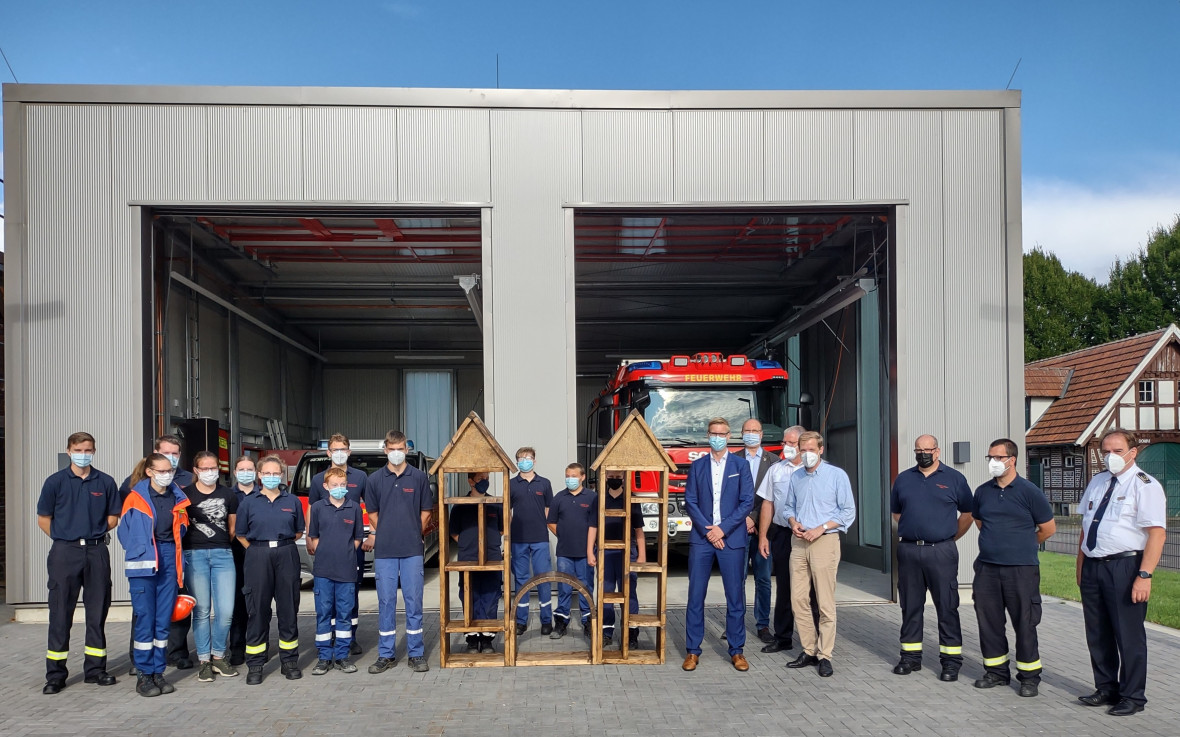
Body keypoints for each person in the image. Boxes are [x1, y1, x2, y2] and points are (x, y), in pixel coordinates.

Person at [1075, 429, 1166, 716]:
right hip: (1093, 566)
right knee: (1098, 632)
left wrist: (1145, 575)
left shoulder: (1145, 485)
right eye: (1106, 452)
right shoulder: (1098, 482)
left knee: (1128, 635)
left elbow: (1157, 534)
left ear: (1132, 452)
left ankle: (1133, 696)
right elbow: (1085, 527)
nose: (1110, 457)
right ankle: (1106, 688)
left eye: (1117, 451)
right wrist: (1080, 569)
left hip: (1125, 566)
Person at [37, 431, 121, 695]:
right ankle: (56, 675)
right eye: (79, 449)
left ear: (94, 451)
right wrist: (66, 538)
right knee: (60, 613)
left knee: (97, 612)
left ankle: (95, 670)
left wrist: (91, 534)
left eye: (88, 449)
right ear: (69, 450)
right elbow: (44, 518)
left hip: (96, 553)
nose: (83, 454)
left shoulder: (105, 481)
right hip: (65, 553)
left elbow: (113, 517)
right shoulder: (55, 482)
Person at [971, 438, 1056, 697]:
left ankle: (1029, 677)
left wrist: (1022, 545)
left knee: (1025, 623)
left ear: (1012, 460)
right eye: (990, 458)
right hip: (987, 569)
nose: (994, 463)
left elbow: (1047, 529)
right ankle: (996, 673)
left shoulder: (1030, 492)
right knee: (989, 622)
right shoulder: (983, 491)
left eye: (998, 458)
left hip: (1021, 570)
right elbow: (979, 521)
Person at [889, 434, 973, 681]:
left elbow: (967, 513)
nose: (922, 453)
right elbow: (897, 514)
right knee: (910, 605)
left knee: (947, 606)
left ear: (937, 451)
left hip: (942, 551)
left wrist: (946, 537)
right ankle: (910, 657)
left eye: (927, 449)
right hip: (909, 551)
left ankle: (950, 662)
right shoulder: (904, 479)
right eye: (918, 450)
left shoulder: (955, 479)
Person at [682, 417, 754, 673]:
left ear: (729, 435)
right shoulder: (697, 466)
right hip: (702, 540)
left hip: (731, 538)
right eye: (713, 433)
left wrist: (722, 529)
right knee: (695, 597)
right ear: (708, 435)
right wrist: (708, 531)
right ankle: (692, 650)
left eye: (722, 433)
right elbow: (690, 501)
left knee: (735, 597)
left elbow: (746, 502)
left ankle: (737, 651)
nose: (717, 437)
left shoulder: (740, 465)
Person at [120, 435, 196, 675]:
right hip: (144, 563)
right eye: (161, 470)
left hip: (170, 558)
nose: (167, 473)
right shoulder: (136, 497)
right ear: (150, 471)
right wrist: (141, 551)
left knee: (163, 620)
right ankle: (144, 673)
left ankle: (158, 671)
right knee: (145, 618)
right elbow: (125, 532)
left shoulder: (177, 496)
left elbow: (182, 526)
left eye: (169, 470)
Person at [782, 431, 856, 678]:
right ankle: (809, 649)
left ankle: (825, 655)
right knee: (798, 600)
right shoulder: (796, 477)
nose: (807, 454)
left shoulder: (837, 476)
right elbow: (788, 507)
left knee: (824, 602)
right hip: (799, 542)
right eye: (803, 450)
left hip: (824, 541)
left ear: (821, 450)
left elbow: (848, 512)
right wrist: (793, 522)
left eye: (812, 449)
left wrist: (821, 528)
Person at [365, 430, 434, 674]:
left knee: (414, 601)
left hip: (412, 549)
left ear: (407, 449)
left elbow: (426, 512)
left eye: (400, 448)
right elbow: (372, 514)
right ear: (385, 449)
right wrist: (386, 531)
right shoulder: (374, 480)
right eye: (391, 448)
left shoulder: (418, 478)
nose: (396, 452)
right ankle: (386, 654)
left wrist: (413, 531)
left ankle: (416, 653)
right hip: (385, 551)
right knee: (386, 602)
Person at [234, 455, 305, 685]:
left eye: (276, 473)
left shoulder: (292, 501)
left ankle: (290, 660)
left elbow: (298, 532)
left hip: (286, 553)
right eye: (267, 473)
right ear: (259, 475)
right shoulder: (248, 502)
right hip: (257, 555)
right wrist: (258, 550)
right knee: (257, 610)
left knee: (288, 608)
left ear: (282, 475)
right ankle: (255, 664)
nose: (272, 477)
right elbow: (241, 534)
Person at [757, 425, 819, 655]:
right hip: (783, 534)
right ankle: (783, 638)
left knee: (811, 591)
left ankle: (813, 643)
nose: (787, 447)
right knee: (784, 589)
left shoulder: (816, 470)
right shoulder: (776, 470)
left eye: (792, 443)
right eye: (785, 442)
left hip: (810, 536)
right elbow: (767, 504)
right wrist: (763, 536)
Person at [307, 433, 368, 655]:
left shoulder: (360, 477)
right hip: (326, 546)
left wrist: (369, 536)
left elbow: (367, 507)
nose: (340, 453)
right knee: (327, 597)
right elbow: (312, 508)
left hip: (350, 546)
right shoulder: (318, 479)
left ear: (349, 451)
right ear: (329, 452)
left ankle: (350, 638)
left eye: (344, 449)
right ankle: (330, 638)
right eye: (336, 449)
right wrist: (309, 537)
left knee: (350, 594)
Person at [182, 450, 240, 683]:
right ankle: (205, 660)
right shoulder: (185, 495)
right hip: (194, 555)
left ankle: (219, 655)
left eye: (213, 468)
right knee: (202, 610)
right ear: (196, 471)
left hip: (223, 554)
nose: (209, 472)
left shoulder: (228, 494)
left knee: (225, 611)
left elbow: (232, 527)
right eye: (204, 468)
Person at [587, 470, 645, 648]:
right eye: (611, 477)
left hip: (627, 552)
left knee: (629, 593)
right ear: (605, 477)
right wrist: (590, 551)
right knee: (606, 594)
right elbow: (593, 526)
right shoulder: (599, 498)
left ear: (624, 478)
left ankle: (631, 633)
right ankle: (606, 632)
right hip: (605, 553)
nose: (614, 480)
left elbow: (639, 529)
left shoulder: (631, 498)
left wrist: (642, 554)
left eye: (617, 477)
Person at [450, 472, 504, 653]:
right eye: (481, 479)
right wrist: (469, 545)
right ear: (470, 481)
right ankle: (472, 637)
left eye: (487, 478)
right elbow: (454, 532)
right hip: (468, 557)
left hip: (492, 557)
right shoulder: (460, 506)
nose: (485, 482)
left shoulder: (496, 503)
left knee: (491, 595)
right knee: (469, 594)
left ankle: (487, 637)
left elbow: (502, 529)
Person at [547, 463, 597, 639]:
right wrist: (564, 535)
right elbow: (551, 521)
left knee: (585, 587)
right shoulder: (559, 497)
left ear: (582, 477)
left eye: (574, 476)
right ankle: (561, 623)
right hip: (564, 553)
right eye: (567, 475)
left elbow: (597, 524)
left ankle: (588, 622)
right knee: (564, 587)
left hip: (586, 553)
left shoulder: (592, 497)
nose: (570, 479)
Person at [509, 446, 555, 636]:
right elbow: (507, 513)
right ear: (517, 462)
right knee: (521, 580)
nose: (524, 460)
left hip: (540, 540)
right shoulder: (511, 484)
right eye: (521, 458)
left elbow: (548, 511)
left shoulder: (544, 483)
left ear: (534, 461)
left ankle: (546, 620)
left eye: (528, 457)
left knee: (543, 579)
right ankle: (521, 620)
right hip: (518, 539)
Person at [739, 419, 778, 644]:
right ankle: (736, 622)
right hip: (739, 529)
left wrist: (753, 518)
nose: (751, 434)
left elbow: (772, 497)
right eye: (747, 431)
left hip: (765, 530)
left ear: (761, 434)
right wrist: (743, 518)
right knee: (738, 579)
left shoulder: (774, 462)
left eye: (755, 431)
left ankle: (763, 624)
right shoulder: (733, 459)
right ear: (741, 434)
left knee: (763, 578)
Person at [227, 455, 260, 665]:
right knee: (237, 603)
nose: (246, 472)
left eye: (250, 469)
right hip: (235, 554)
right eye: (242, 468)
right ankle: (237, 648)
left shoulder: (263, 494)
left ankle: (258, 645)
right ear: (235, 472)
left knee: (258, 602)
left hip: (259, 553)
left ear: (256, 472)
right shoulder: (228, 495)